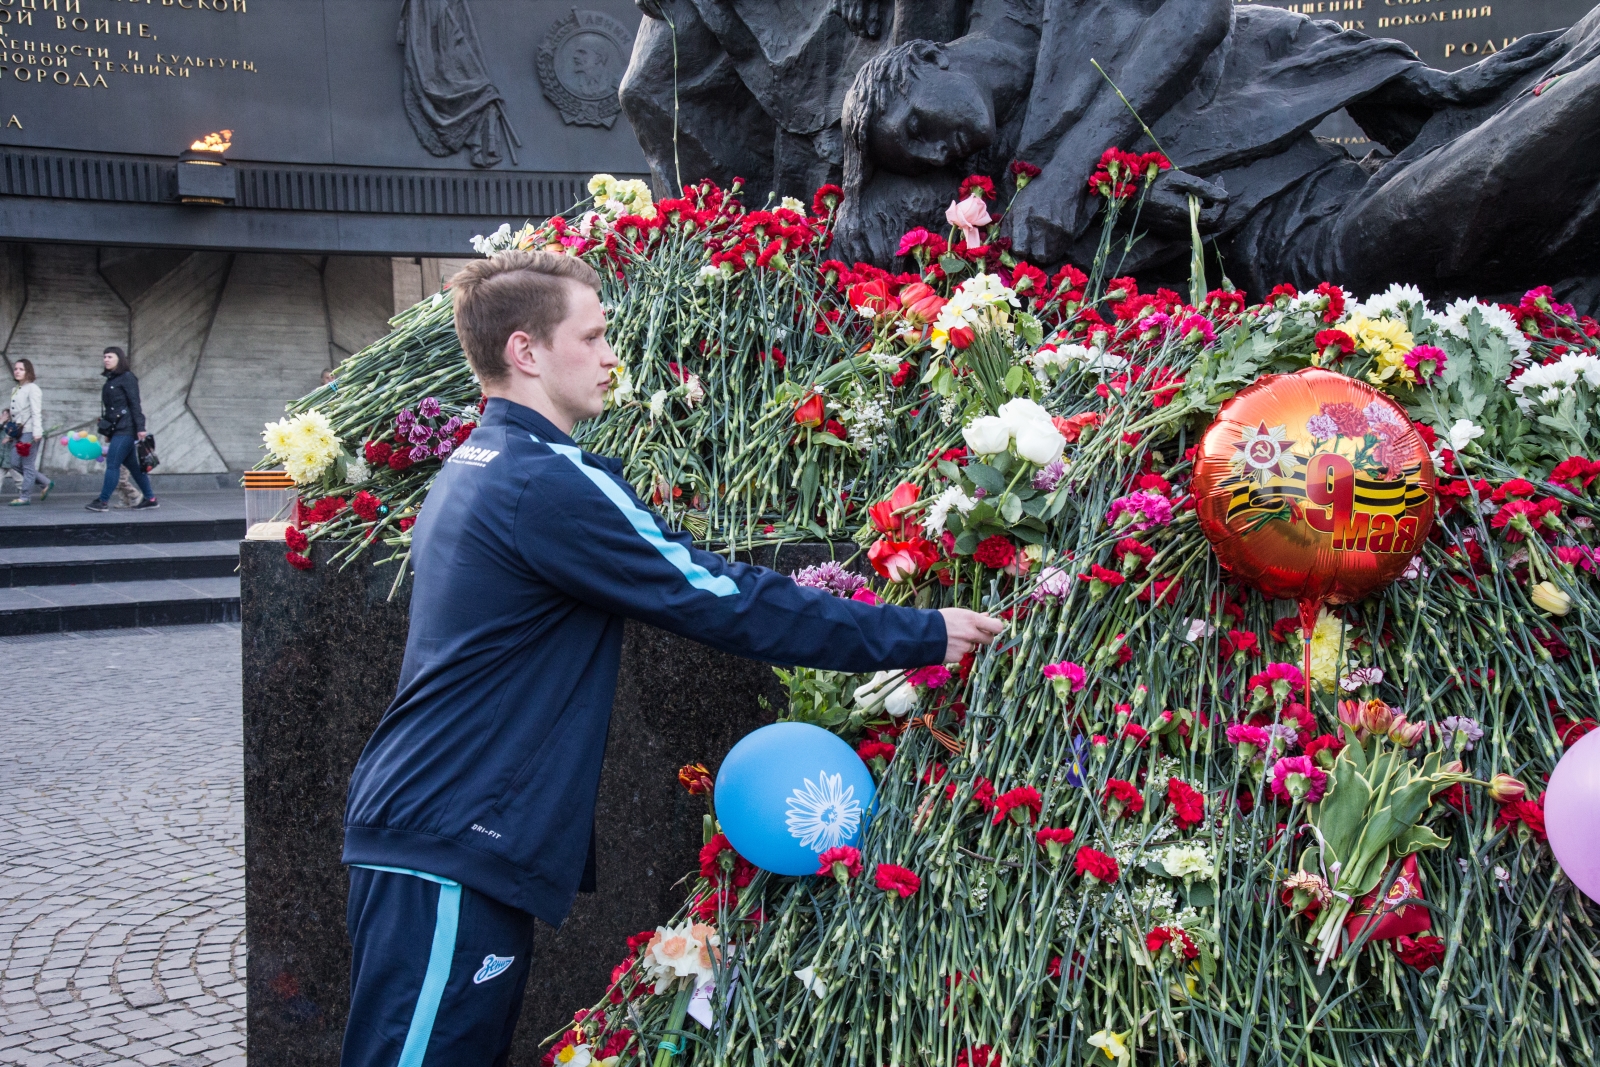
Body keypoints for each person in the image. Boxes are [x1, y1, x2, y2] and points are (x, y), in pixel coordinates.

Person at [338, 251, 1003, 1067]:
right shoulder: (544, 482)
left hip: (440, 826)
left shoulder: (483, 462)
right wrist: (921, 633)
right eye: (594, 334)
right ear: (526, 351)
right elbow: (721, 596)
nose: (614, 354)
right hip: (450, 837)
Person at [87, 347, 157, 513]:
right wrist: (109, 433)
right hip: (117, 429)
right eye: (104, 357)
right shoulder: (111, 380)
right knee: (133, 466)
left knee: (112, 463)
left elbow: (135, 403)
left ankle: (102, 501)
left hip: (127, 428)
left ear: (119, 359)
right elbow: (112, 410)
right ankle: (151, 499)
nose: (106, 359)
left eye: (110, 356)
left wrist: (141, 427)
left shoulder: (127, 377)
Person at [7, 359, 52, 506]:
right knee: (14, 462)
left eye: (21, 369)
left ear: (28, 371)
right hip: (18, 433)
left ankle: (25, 496)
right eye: (15, 369)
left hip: (30, 431)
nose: (17, 371)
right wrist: (9, 434)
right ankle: (45, 482)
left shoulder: (33, 388)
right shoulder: (16, 389)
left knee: (27, 465)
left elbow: (36, 411)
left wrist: (37, 431)